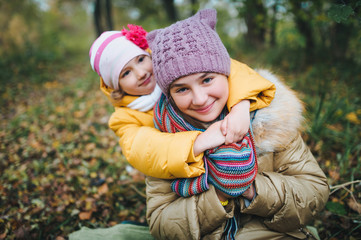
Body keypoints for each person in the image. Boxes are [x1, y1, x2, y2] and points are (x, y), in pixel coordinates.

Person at [145, 8, 330, 239]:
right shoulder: (163, 139)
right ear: (169, 95)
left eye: (207, 79)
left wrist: (252, 190)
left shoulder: (269, 118)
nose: (200, 99)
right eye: (182, 89)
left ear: (226, 73)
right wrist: (219, 196)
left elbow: (315, 191)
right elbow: (161, 223)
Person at [88, 25, 276, 180]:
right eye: (126, 73)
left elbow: (228, 69)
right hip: (190, 167)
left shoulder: (175, 73)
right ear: (116, 86)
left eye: (140, 59)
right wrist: (198, 142)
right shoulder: (124, 118)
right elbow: (143, 149)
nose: (141, 73)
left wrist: (240, 105)